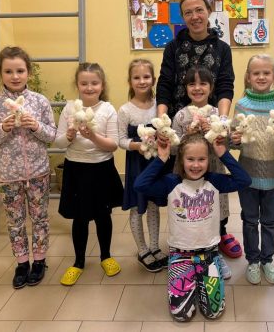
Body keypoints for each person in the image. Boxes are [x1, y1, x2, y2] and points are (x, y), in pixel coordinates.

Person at [155, 0, 240, 256]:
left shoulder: (222, 48)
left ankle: (219, 233)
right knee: (187, 180)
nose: (195, 16)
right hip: (182, 126)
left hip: (211, 125)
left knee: (214, 177)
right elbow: (164, 85)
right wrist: (162, 122)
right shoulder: (173, 48)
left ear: (208, 11)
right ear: (183, 17)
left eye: (199, 10)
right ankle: (187, 233)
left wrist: (220, 123)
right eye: (188, 12)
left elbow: (225, 85)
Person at [135, 133, 251, 322]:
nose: (196, 165)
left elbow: (244, 180)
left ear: (208, 159)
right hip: (180, 253)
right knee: (182, 315)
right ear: (181, 160)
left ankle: (201, 278)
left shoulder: (214, 181)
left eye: (201, 159)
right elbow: (140, 185)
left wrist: (223, 154)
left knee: (214, 312)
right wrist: (162, 158)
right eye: (190, 159)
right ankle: (192, 279)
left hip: (209, 252)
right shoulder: (171, 183)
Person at [0, 46, 56, 289]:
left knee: (40, 218)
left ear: (28, 72)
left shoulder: (40, 101)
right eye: (8, 71)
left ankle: (39, 261)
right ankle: (22, 263)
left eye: (20, 70)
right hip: (7, 176)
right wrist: (2, 129)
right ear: (0, 73)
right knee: (15, 221)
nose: (15, 76)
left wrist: (36, 126)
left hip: (38, 173)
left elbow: (52, 135)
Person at [55, 62, 124, 285]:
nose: (89, 87)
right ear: (77, 85)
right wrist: (69, 136)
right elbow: (58, 142)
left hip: (101, 168)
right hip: (76, 169)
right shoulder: (69, 108)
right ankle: (78, 262)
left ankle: (106, 256)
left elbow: (113, 144)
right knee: (80, 217)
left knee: (103, 215)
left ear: (102, 85)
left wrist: (93, 136)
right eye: (84, 83)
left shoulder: (107, 109)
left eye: (94, 83)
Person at [230, 54, 274, 285]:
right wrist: (234, 139)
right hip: (247, 175)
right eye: (256, 73)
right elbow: (233, 141)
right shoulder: (241, 105)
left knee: (269, 221)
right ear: (248, 77)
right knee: (249, 220)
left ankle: (267, 260)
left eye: (266, 73)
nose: (261, 77)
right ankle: (253, 260)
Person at [171, 66, 236, 278]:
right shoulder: (181, 116)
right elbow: (172, 149)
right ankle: (188, 254)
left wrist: (216, 132)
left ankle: (215, 255)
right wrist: (186, 136)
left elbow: (228, 143)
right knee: (192, 214)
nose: (197, 88)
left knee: (215, 214)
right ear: (186, 88)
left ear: (211, 87)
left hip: (214, 172)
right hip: (188, 178)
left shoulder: (218, 114)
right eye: (192, 84)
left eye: (203, 84)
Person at [117, 59, 167, 273]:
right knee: (137, 207)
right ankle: (143, 250)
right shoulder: (125, 110)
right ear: (130, 81)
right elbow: (120, 140)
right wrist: (136, 145)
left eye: (146, 77)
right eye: (136, 77)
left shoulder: (159, 106)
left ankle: (155, 247)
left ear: (153, 80)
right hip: (137, 165)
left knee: (154, 205)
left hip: (155, 164)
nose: (142, 81)